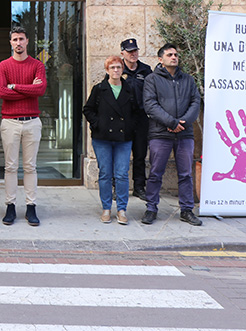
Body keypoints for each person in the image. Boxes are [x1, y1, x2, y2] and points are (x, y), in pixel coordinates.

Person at [141, 43, 202, 226]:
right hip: (160, 134)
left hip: (184, 134)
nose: (174, 57)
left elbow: (195, 102)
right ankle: (151, 208)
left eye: (176, 54)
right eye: (169, 55)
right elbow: (150, 105)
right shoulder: (152, 80)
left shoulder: (189, 80)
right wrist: (171, 122)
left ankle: (186, 210)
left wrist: (182, 123)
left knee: (185, 174)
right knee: (155, 173)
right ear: (161, 59)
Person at [0, 26, 46, 226]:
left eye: (21, 39)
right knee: (10, 166)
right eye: (15, 39)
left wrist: (15, 86)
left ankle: (31, 206)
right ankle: (10, 206)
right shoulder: (3, 66)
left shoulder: (37, 65)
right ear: (10, 42)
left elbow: (40, 89)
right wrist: (29, 89)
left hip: (32, 121)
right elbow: (1, 92)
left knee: (30, 167)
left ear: (27, 41)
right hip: (10, 122)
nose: (18, 43)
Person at [83, 55, 136, 225]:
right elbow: (88, 109)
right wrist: (99, 124)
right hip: (102, 138)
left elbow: (136, 112)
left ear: (123, 70)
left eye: (118, 67)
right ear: (107, 70)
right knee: (105, 173)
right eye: (112, 67)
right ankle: (106, 208)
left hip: (123, 138)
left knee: (121, 174)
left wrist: (130, 127)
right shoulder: (99, 89)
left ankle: (121, 209)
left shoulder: (129, 89)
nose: (115, 70)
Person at [120, 37, 152, 199]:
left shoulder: (146, 70)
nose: (133, 54)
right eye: (130, 51)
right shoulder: (118, 69)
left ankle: (139, 187)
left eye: (135, 51)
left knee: (140, 154)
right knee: (120, 155)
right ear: (122, 53)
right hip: (122, 119)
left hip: (141, 119)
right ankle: (117, 186)